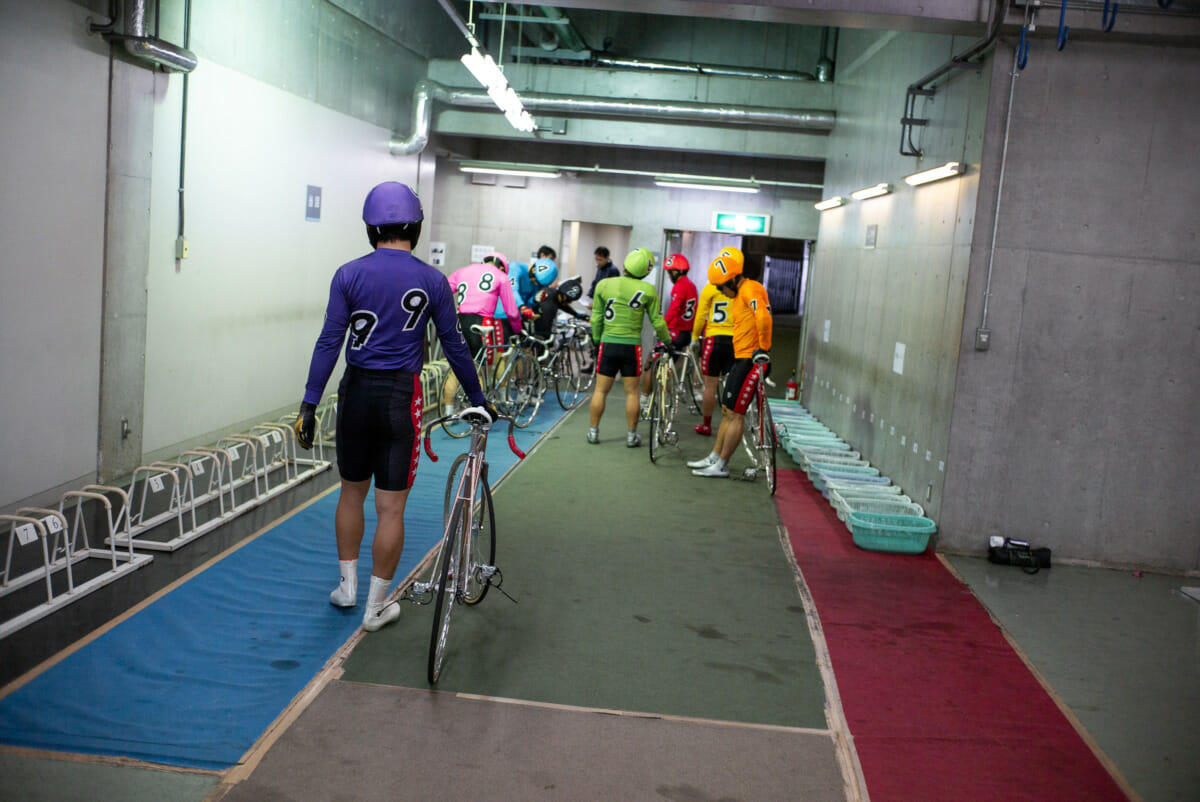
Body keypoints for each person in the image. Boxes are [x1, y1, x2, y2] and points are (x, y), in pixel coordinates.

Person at [292, 181, 494, 632]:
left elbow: (329, 342)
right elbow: (455, 345)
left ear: (370, 227)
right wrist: (478, 398)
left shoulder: (347, 274)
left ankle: (347, 589)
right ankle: (375, 608)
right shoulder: (431, 279)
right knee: (391, 509)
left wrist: (308, 403)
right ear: (415, 226)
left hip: (354, 393)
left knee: (350, 493)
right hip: (400, 398)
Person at [688, 252, 773, 479]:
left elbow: (763, 317)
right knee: (727, 410)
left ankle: (722, 465)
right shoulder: (739, 295)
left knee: (735, 414)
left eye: (721, 287)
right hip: (740, 358)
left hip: (751, 360)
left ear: (733, 280)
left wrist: (763, 349)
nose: (720, 292)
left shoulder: (750, 289)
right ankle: (715, 456)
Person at [588, 248, 672, 447]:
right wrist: (668, 341)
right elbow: (657, 322)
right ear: (646, 270)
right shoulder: (649, 290)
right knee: (633, 393)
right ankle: (631, 436)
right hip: (631, 348)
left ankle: (593, 432)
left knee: (600, 391)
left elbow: (596, 317)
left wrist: (597, 339)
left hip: (608, 343)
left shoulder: (604, 284)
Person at [441, 251, 523, 415]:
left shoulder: (463, 270)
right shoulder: (501, 276)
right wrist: (517, 329)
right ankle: (480, 411)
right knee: (479, 367)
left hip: (458, 320)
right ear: (501, 266)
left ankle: (449, 412)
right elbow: (512, 311)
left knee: (457, 367)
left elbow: (443, 291)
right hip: (481, 322)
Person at [691, 246, 742, 435]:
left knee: (710, 386)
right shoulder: (742, 289)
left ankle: (706, 425)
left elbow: (701, 316)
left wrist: (695, 337)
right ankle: (730, 422)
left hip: (713, 339)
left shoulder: (710, 287)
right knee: (733, 384)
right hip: (736, 340)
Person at [639, 253, 698, 403]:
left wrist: (661, 326)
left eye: (669, 272)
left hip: (675, 332)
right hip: (686, 332)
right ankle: (671, 386)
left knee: (650, 361)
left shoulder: (680, 286)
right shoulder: (691, 286)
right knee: (671, 361)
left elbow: (674, 309)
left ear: (675, 272)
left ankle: (644, 400)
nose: (669, 275)